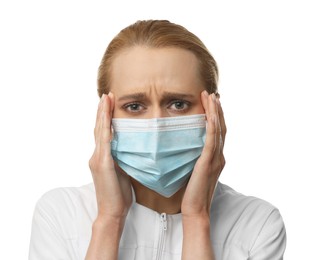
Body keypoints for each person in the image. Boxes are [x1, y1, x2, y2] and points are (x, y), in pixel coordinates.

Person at [29, 20, 286, 259]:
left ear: (213, 110)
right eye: (134, 106)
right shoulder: (61, 214)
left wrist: (197, 219)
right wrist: (109, 219)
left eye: (178, 104)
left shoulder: (257, 223)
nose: (157, 124)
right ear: (104, 115)